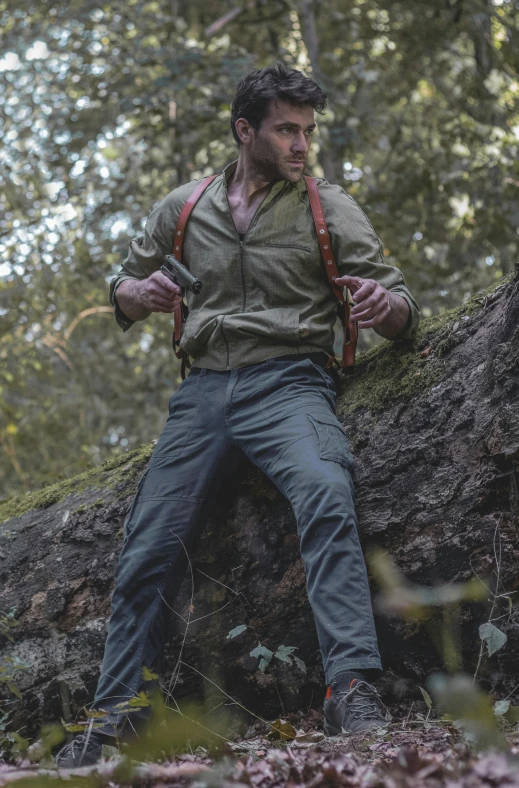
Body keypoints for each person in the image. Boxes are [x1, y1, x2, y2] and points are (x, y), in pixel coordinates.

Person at [56, 63, 419, 767]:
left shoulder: (327, 206)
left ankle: (351, 689)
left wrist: (386, 308)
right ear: (243, 130)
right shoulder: (184, 207)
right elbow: (123, 289)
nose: (300, 144)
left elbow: (399, 305)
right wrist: (142, 293)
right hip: (201, 395)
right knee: (148, 543)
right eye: (286, 129)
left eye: (307, 130)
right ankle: (113, 721)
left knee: (325, 492)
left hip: (291, 384)